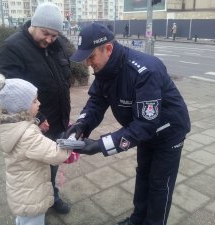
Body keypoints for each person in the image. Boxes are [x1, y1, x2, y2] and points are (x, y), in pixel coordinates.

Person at [66, 23, 191, 225]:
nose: (88, 63)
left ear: (108, 48)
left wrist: (100, 145)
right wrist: (81, 125)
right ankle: (137, 220)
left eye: (91, 57)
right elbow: (97, 101)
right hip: (143, 130)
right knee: (143, 174)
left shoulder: (145, 70)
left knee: (159, 183)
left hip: (169, 131)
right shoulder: (105, 68)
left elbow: (145, 125)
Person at [0, 2, 72, 214]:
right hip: (33, 124)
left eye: (54, 36)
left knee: (52, 163)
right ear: (34, 24)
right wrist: (38, 118)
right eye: (45, 33)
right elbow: (10, 96)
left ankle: (51, 196)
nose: (49, 39)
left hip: (58, 118)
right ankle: (35, 208)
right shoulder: (13, 48)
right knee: (34, 168)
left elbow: (64, 78)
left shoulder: (57, 45)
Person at [0, 74, 72, 225]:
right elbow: (56, 154)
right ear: (21, 107)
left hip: (20, 192)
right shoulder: (27, 134)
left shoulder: (11, 127)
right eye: (34, 101)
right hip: (32, 196)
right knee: (33, 221)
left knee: (23, 220)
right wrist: (71, 141)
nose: (39, 103)